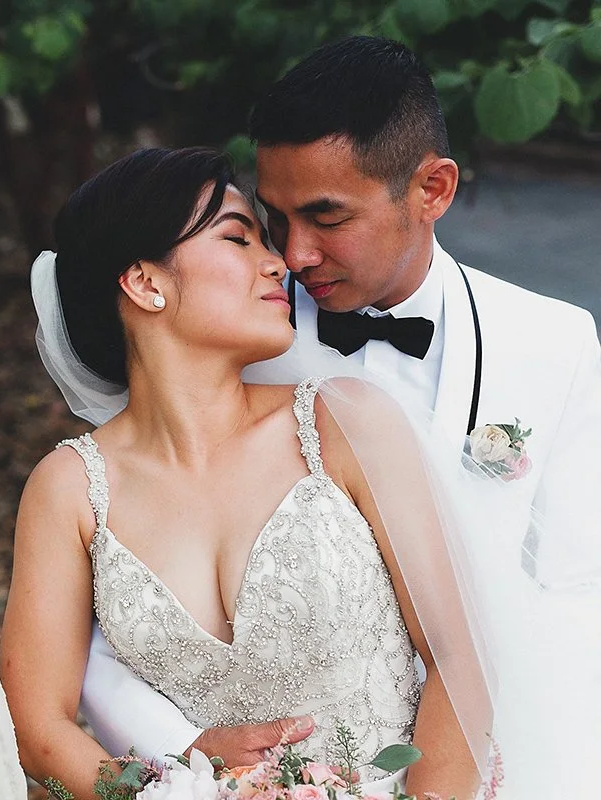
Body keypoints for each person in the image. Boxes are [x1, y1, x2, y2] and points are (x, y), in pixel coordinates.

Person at [74, 36, 601, 798]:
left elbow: (573, 594)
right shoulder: (231, 340)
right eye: (272, 218)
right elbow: (119, 591)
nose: (291, 254)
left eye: (326, 217)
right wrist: (185, 762)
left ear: (433, 189)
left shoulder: (555, 345)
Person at [0, 147, 491, 800]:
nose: (279, 263)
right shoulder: (69, 491)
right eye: (238, 238)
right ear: (145, 283)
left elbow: (458, 661)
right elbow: (36, 725)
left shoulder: (342, 424)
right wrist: (168, 788)